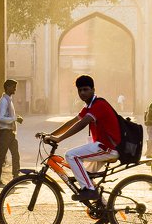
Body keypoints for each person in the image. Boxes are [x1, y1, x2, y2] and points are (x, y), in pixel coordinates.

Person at [39, 74, 120, 202]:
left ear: (93, 90)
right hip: (101, 147)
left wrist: (59, 139)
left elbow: (81, 124)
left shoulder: (99, 105)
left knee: (71, 155)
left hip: (109, 148)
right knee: (85, 175)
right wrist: (51, 134)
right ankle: (103, 206)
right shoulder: (88, 107)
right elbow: (72, 122)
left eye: (86, 89)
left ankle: (89, 191)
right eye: (80, 90)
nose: (82, 93)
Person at [0, 78, 23, 186]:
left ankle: (16, 177)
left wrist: (16, 118)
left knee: (15, 154)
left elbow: (8, 116)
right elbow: (1, 118)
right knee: (1, 157)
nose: (15, 89)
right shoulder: (4, 101)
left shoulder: (8, 100)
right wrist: (15, 118)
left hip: (10, 133)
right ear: (8, 87)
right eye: (13, 87)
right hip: (5, 133)